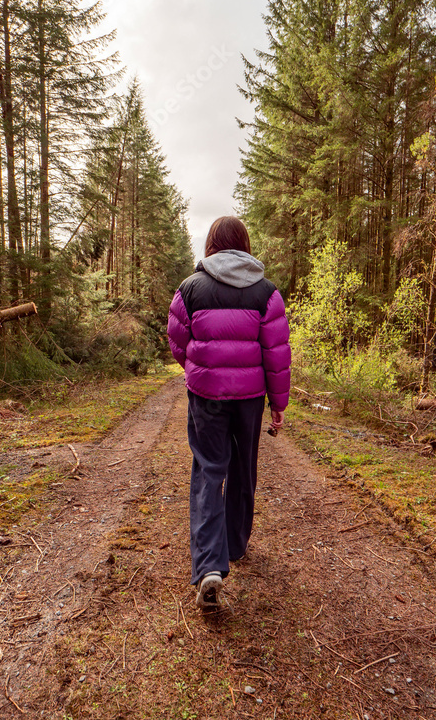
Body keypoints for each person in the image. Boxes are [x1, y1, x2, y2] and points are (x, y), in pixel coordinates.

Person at [167, 216, 291, 609]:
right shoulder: (267, 292)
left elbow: (176, 340)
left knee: (209, 470)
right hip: (250, 397)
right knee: (243, 469)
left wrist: (196, 367)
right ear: (244, 245)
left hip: (206, 396)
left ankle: (209, 566)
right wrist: (278, 404)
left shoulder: (190, 289)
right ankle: (235, 544)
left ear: (211, 246)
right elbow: (277, 354)